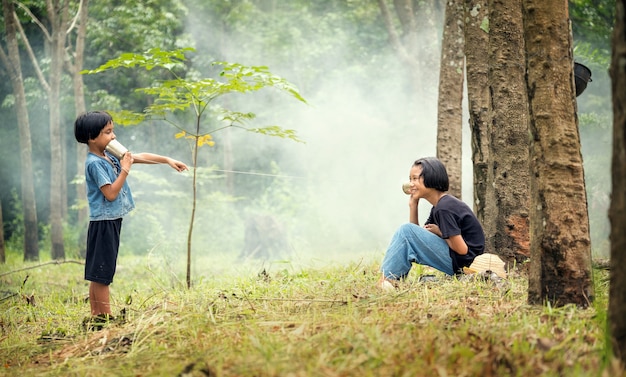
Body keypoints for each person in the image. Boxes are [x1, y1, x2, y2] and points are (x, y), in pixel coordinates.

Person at [74, 110, 188, 328]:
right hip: (104, 222)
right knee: (102, 273)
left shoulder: (108, 155)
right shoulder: (95, 163)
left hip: (111, 220)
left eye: (113, 131)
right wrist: (125, 170)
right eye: (108, 132)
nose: (113, 136)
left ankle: (97, 314)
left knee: (100, 270)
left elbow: (137, 156)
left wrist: (166, 160)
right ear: (92, 137)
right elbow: (110, 194)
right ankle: (103, 318)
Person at [378, 157, 485, 287]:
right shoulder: (438, 207)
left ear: (431, 178)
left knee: (405, 230)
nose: (411, 184)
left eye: (415, 179)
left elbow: (462, 249)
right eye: (410, 179)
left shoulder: (444, 208)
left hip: (465, 264)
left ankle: (388, 280)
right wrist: (413, 206)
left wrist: (440, 232)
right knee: (407, 231)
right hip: (459, 261)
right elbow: (416, 239)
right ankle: (389, 280)